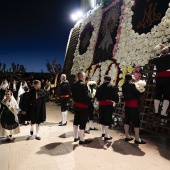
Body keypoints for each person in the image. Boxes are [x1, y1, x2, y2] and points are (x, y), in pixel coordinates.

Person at [122, 74, 146, 144]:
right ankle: (137, 139)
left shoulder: (123, 85)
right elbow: (136, 94)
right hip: (133, 105)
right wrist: (141, 92)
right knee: (136, 121)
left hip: (127, 104)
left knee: (127, 120)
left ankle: (127, 136)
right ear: (131, 79)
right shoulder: (132, 85)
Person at [95, 75, 119, 141]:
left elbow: (97, 96)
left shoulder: (100, 87)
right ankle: (106, 135)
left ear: (104, 79)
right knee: (107, 119)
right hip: (108, 104)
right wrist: (116, 101)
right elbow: (116, 96)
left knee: (102, 118)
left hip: (101, 104)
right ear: (110, 80)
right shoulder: (112, 86)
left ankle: (102, 133)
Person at [71, 71, 92, 144]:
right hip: (83, 106)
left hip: (76, 105)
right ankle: (82, 139)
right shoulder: (83, 85)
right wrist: (91, 97)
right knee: (83, 122)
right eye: (84, 76)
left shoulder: (74, 85)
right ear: (82, 77)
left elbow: (73, 95)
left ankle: (75, 137)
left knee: (76, 120)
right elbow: (86, 96)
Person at [151, 44, 170, 118]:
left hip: (159, 78)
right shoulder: (169, 56)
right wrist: (165, 46)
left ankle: (156, 111)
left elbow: (153, 58)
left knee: (157, 94)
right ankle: (163, 112)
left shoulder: (156, 59)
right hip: (168, 77)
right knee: (167, 95)